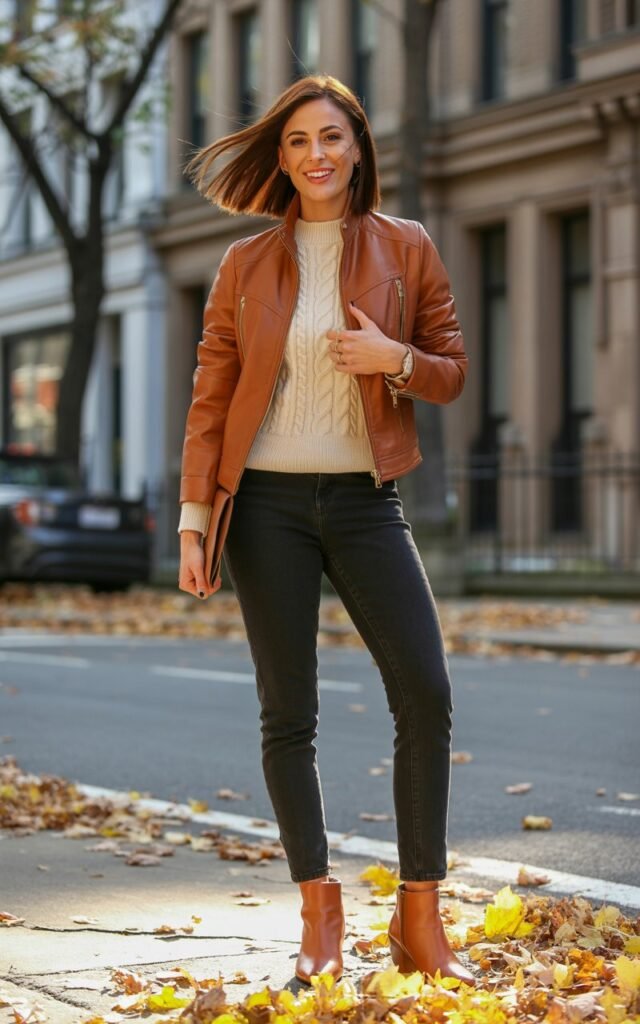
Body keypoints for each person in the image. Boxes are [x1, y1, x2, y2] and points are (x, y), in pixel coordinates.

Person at [177, 75, 475, 988]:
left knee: (424, 691)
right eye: (301, 140)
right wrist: (195, 520)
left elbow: (452, 371)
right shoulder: (244, 264)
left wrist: (396, 360)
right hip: (263, 507)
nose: (318, 154)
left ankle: (420, 917)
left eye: (333, 138)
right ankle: (319, 913)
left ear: (357, 149)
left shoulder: (406, 247)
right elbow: (211, 397)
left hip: (363, 499)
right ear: (282, 156)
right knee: (288, 714)